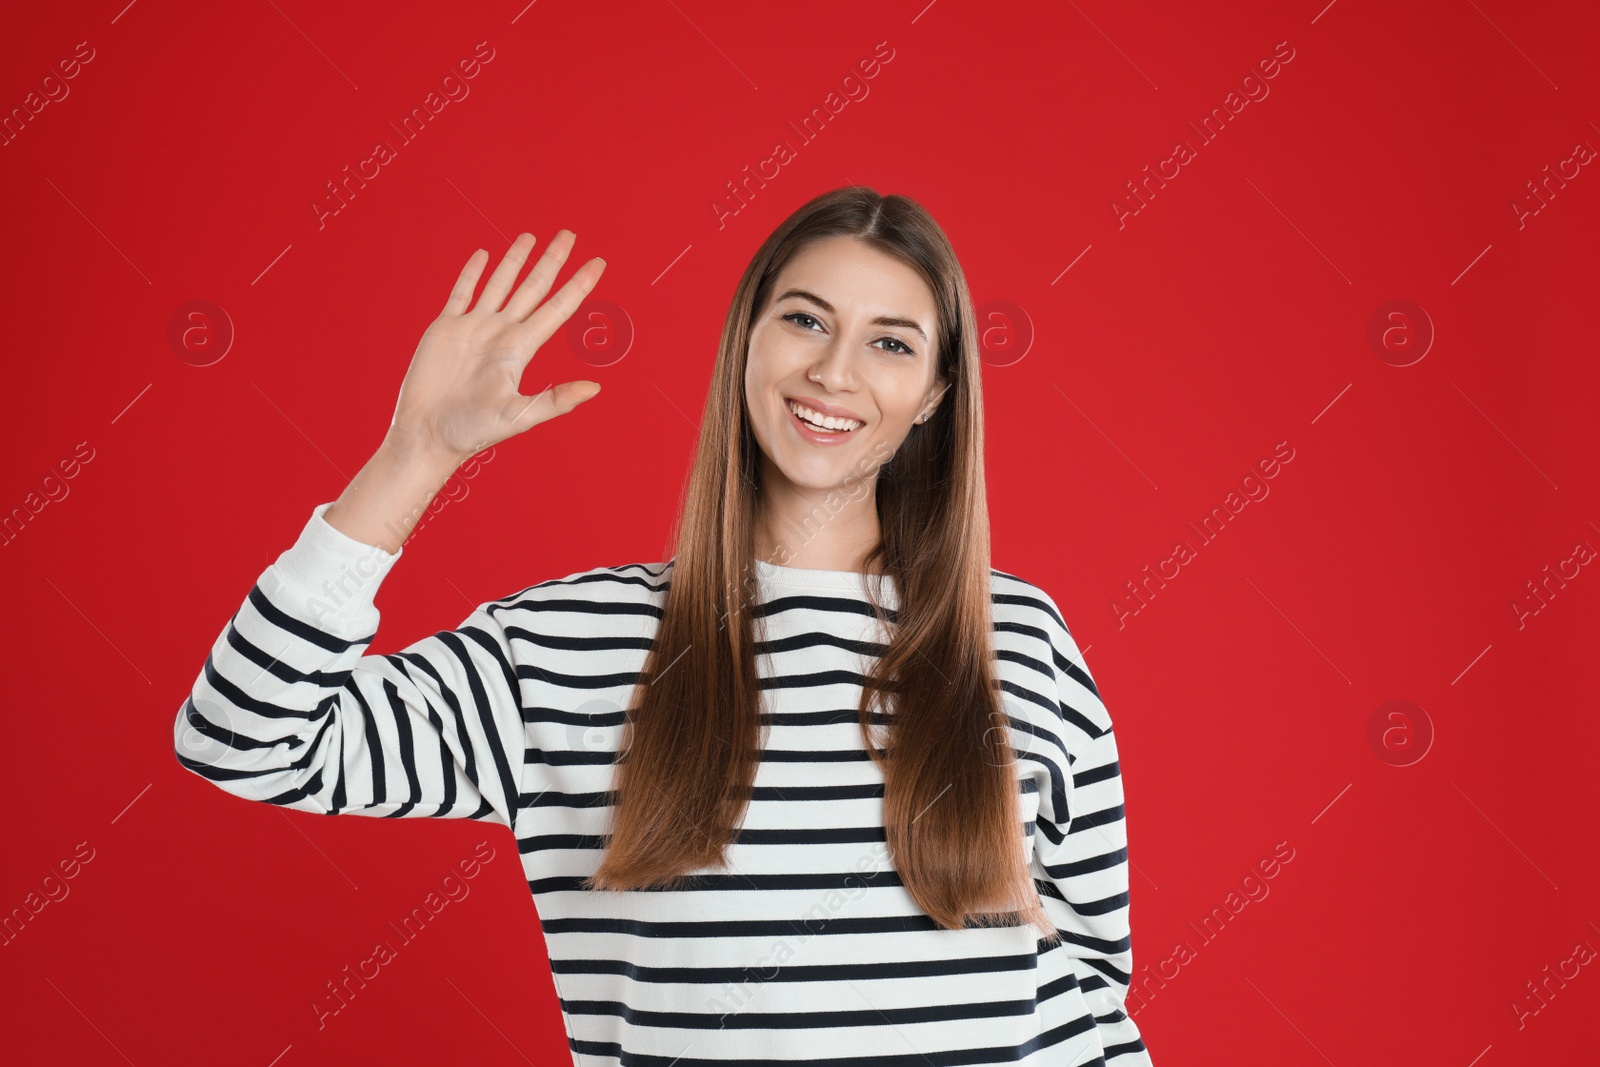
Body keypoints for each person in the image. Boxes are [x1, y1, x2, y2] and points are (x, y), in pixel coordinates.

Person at [173, 186, 1155, 1064]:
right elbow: (246, 738)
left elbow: (1092, 976)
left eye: (891, 341)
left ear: (935, 393)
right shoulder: (563, 647)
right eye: (803, 320)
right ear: (744, 343)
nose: (833, 370)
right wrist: (413, 457)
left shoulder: (1017, 635)